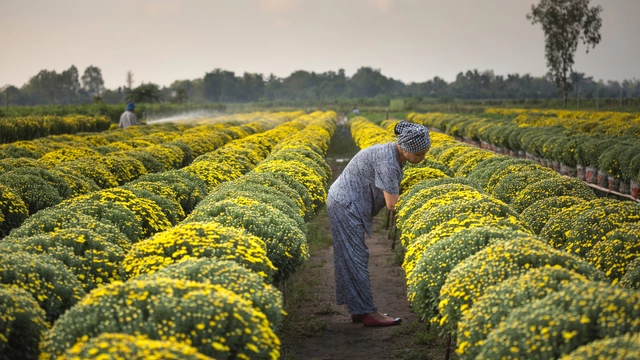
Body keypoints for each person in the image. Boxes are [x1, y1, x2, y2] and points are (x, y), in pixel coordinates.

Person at [327, 120, 431, 327]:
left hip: (345, 202)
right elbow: (392, 204)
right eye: (419, 155)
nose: (422, 159)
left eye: (425, 154)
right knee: (355, 257)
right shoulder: (388, 162)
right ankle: (369, 313)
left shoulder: (392, 154)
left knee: (350, 256)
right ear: (405, 147)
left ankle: (359, 309)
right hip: (345, 204)